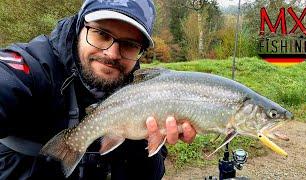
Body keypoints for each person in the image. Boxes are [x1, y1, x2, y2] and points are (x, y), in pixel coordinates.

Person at [0, 0, 197, 179]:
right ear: (80, 27)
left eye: (129, 44)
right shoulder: (32, 67)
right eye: (102, 34)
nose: (111, 54)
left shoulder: (144, 90)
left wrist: (143, 140)